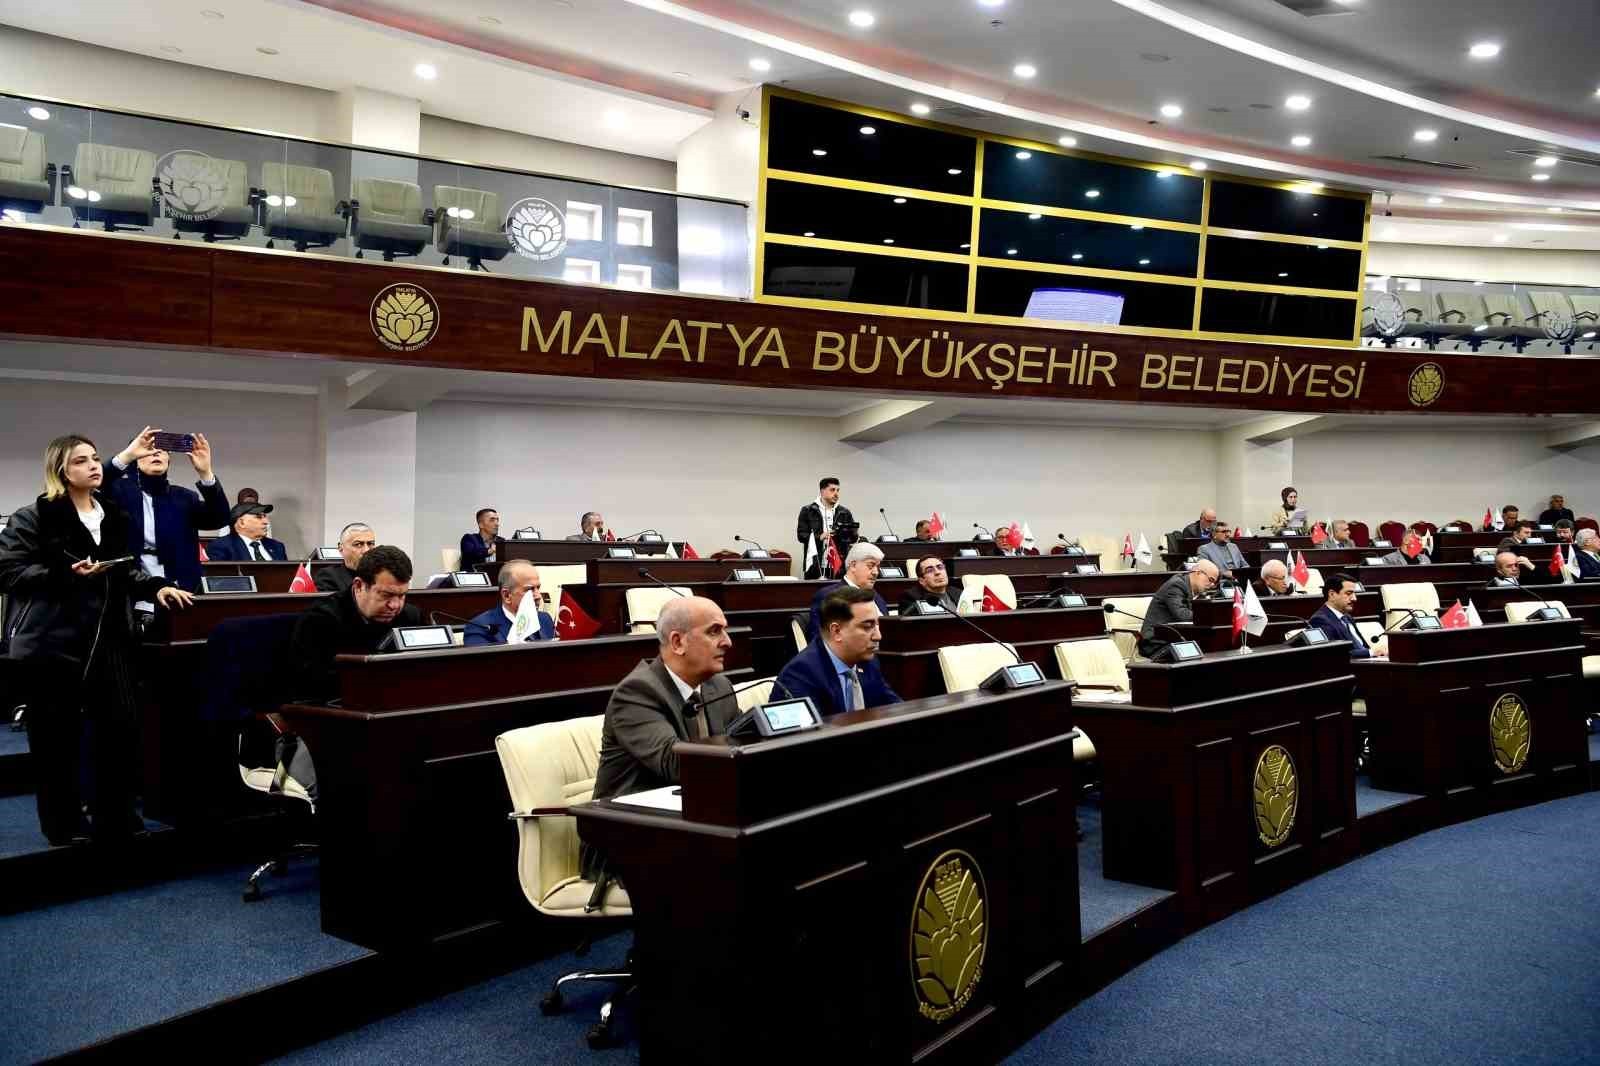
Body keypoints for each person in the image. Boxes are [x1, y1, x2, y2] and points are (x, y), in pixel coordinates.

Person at [0, 434, 195, 845]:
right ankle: (64, 825)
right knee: (56, 742)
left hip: (111, 638)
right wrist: (62, 575)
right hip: (53, 643)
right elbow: (8, 572)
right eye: (80, 461)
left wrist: (155, 586)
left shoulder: (112, 514)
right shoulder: (33, 516)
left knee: (118, 734)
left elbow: (125, 569)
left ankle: (116, 816)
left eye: (94, 458)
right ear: (61, 471)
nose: (93, 466)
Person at [580, 596, 736, 879]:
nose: (727, 642)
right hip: (629, 839)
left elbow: (742, 742)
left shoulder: (718, 686)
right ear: (677, 642)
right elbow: (677, 764)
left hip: (696, 826)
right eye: (714, 631)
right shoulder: (637, 693)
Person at [101, 426, 230, 593]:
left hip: (181, 584)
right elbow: (98, 480)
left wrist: (206, 473)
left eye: (162, 451)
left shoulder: (184, 497)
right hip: (131, 583)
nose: (156, 453)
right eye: (149, 450)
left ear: (168, 460)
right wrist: (127, 455)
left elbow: (219, 518)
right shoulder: (118, 490)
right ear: (136, 459)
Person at [289, 545, 423, 702]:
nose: (395, 605)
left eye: (402, 596)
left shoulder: (410, 616)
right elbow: (312, 685)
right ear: (359, 586)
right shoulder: (320, 619)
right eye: (386, 595)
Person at [778, 586, 902, 718]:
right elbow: (810, 731)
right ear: (836, 631)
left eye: (877, 625)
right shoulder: (801, 674)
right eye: (867, 626)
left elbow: (895, 708)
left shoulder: (868, 662)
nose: (878, 636)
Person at [808, 541, 888, 639]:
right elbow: (819, 639)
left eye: (878, 567)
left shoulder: (877, 597)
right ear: (853, 565)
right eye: (871, 566)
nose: (876, 572)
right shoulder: (828, 596)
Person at [1138, 560, 1218, 659]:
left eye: (1214, 582)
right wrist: (1209, 617)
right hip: (1156, 643)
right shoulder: (1176, 585)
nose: (1211, 585)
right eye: (1210, 579)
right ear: (1198, 573)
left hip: (1174, 639)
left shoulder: (1193, 590)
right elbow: (1182, 615)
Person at [465, 560, 556, 645]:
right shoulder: (480, 627)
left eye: (538, 588)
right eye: (529, 590)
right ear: (507, 596)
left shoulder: (544, 619)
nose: (538, 596)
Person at [1308, 573, 1383, 659]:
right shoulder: (1320, 620)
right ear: (1332, 594)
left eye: (1354, 593)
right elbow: (1333, 654)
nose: (1354, 598)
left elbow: (1362, 647)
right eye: (1348, 593)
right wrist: (1371, 652)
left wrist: (1377, 653)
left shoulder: (1347, 617)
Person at [797, 477, 855, 580]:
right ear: (822, 491)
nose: (836, 494)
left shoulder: (845, 512)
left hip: (838, 565)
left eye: (838, 490)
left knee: (839, 590)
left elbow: (852, 538)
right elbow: (801, 535)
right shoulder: (808, 510)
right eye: (832, 490)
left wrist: (854, 533)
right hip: (816, 564)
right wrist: (820, 537)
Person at [204, 502, 287, 562]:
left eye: (265, 516)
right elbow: (222, 579)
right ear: (241, 523)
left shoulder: (277, 546)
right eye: (259, 517)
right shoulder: (220, 546)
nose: (266, 522)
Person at [315, 522, 375, 594]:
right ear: (341, 548)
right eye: (358, 544)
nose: (366, 550)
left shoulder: (380, 574)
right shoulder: (328, 576)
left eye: (370, 544)